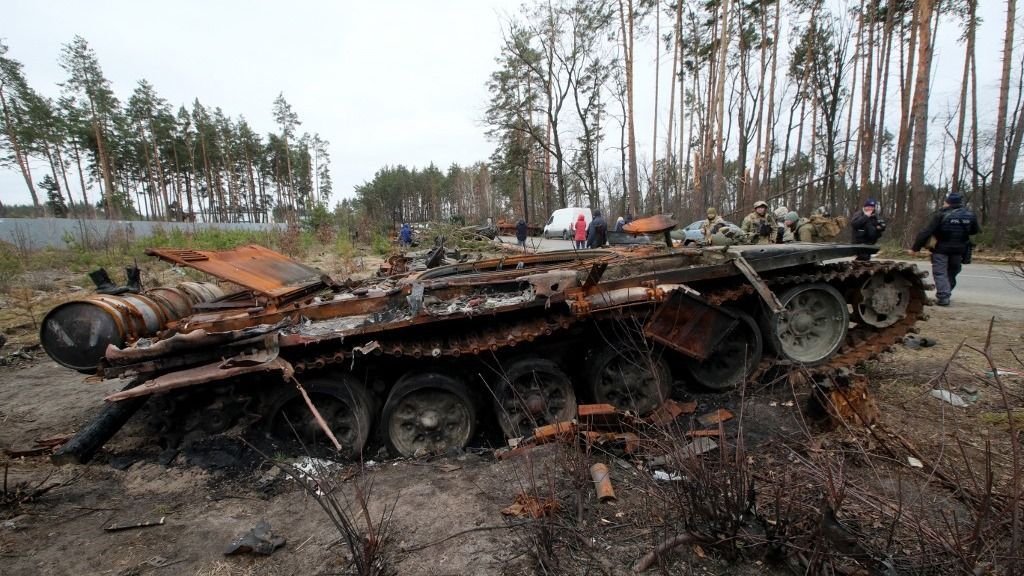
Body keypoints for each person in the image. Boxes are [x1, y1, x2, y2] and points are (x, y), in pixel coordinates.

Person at [910, 193, 980, 306]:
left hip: (941, 248)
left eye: (945, 202)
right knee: (953, 271)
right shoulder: (970, 215)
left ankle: (944, 297)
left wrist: (915, 248)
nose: (943, 204)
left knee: (940, 272)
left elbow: (926, 232)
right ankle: (946, 292)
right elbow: (974, 230)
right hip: (959, 249)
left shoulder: (941, 215)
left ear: (948, 203)